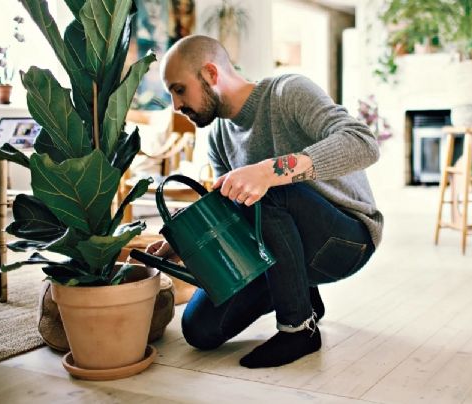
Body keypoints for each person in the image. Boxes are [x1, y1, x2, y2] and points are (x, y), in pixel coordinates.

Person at [148, 34, 383, 368]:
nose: (175, 106)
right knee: (200, 329)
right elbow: (226, 206)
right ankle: (304, 297)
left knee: (262, 192)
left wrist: (269, 172)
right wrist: (183, 240)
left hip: (347, 239)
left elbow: (363, 144)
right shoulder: (217, 136)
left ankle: (298, 328)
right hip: (283, 242)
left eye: (179, 89)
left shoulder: (288, 92)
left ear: (212, 74)